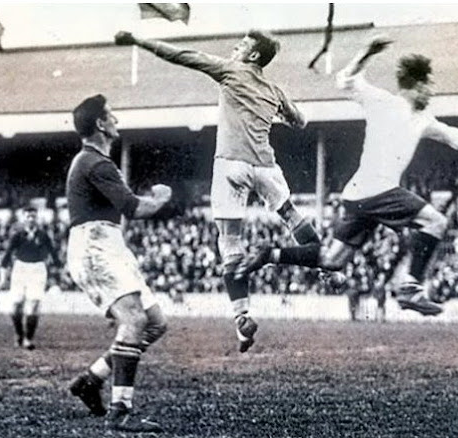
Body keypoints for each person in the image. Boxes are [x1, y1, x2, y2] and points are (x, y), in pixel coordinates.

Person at [236, 36, 458, 315]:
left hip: (358, 196)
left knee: (332, 259)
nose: (431, 94)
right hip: (377, 190)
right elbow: (345, 79)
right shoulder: (384, 101)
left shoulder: (424, 120)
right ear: (415, 86)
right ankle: (411, 288)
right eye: (428, 87)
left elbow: (457, 137)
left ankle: (269, 254)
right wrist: (366, 51)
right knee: (436, 221)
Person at [114, 29, 323, 352]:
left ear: (252, 56)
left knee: (229, 241)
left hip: (231, 164)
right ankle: (306, 259)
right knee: (296, 224)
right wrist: (281, 111)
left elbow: (183, 56)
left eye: (241, 46)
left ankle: (241, 316)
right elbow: (301, 121)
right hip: (266, 167)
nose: (234, 49)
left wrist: (140, 40)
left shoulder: (230, 70)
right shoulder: (274, 90)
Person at [65, 94, 171, 432]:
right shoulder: (95, 162)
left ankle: (91, 379)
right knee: (135, 319)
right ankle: (120, 412)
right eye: (111, 115)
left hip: (106, 243)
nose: (117, 120)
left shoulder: (91, 162)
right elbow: (134, 209)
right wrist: (161, 199)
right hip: (96, 246)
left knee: (154, 322)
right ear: (100, 124)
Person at [1, 207, 59, 348]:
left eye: (33, 216)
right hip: (20, 268)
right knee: (16, 304)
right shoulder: (18, 235)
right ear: (24, 219)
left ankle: (28, 338)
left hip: (38, 268)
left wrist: (57, 268)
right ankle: (19, 334)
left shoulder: (43, 235)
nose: (31, 219)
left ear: (36, 218)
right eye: (28, 216)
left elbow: (53, 253)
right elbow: (7, 254)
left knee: (33, 304)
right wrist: (3, 274)